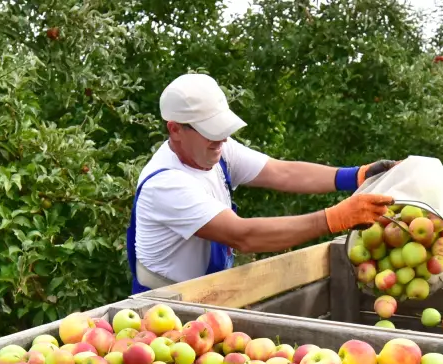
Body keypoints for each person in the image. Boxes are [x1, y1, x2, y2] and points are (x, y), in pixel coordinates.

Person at [127, 73, 397, 293]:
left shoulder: (216, 150)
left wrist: (356, 176)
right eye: (211, 131)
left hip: (207, 293)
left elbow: (282, 173)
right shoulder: (166, 184)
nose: (221, 140)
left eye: (223, 130)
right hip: (165, 306)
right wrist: (335, 218)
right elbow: (243, 235)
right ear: (175, 129)